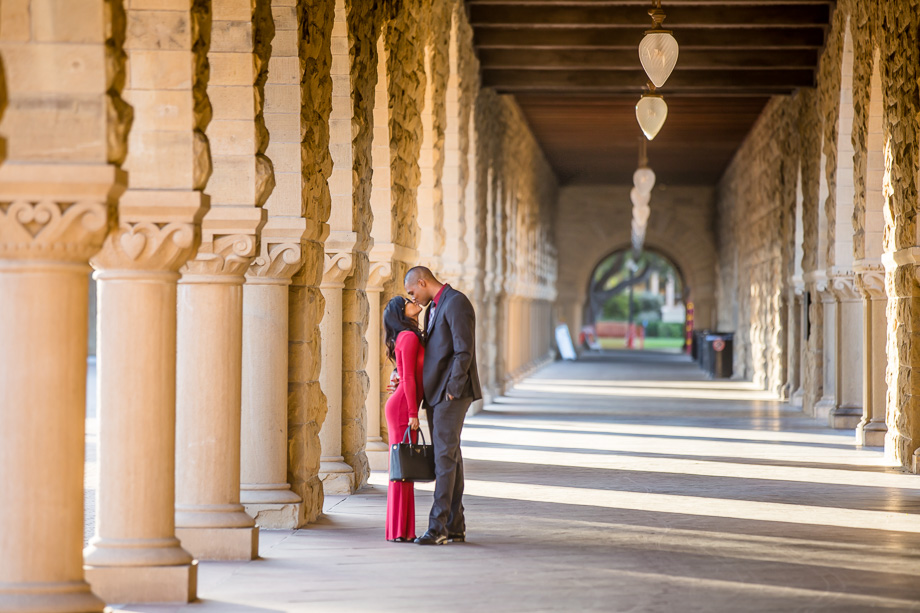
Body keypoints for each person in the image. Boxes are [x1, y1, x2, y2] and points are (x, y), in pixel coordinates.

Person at [404, 266, 482, 545]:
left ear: (422, 282)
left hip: (451, 394)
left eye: (413, 292)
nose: (413, 298)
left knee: (444, 459)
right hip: (436, 393)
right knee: (451, 457)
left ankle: (437, 528)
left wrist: (453, 390)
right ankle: (455, 525)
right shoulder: (433, 308)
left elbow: (464, 350)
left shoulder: (456, 302)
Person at [382, 296, 424, 542]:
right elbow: (408, 378)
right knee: (402, 468)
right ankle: (399, 530)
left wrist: (395, 377)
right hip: (401, 409)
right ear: (402, 311)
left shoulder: (409, 336)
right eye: (408, 301)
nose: (414, 301)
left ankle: (402, 529)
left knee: (403, 468)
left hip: (402, 403)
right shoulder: (408, 337)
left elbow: (404, 373)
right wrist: (412, 414)